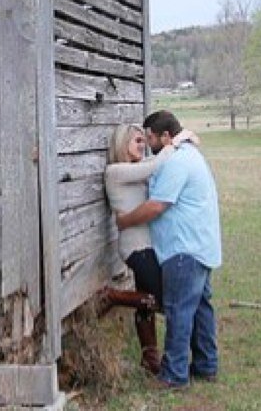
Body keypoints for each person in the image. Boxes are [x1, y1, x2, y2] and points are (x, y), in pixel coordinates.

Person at [112, 110, 222, 388]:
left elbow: (157, 205)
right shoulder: (186, 155)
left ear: (165, 137)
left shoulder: (177, 161)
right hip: (200, 244)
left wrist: (124, 221)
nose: (147, 144)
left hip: (183, 248)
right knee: (199, 308)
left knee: (179, 309)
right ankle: (206, 365)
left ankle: (174, 375)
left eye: (149, 138)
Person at [103, 123, 191, 374]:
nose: (142, 146)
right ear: (122, 145)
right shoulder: (115, 172)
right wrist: (174, 143)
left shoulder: (134, 170)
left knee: (146, 302)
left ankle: (149, 357)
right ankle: (113, 296)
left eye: (144, 141)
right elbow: (155, 166)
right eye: (137, 141)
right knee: (160, 300)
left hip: (148, 246)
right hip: (136, 248)